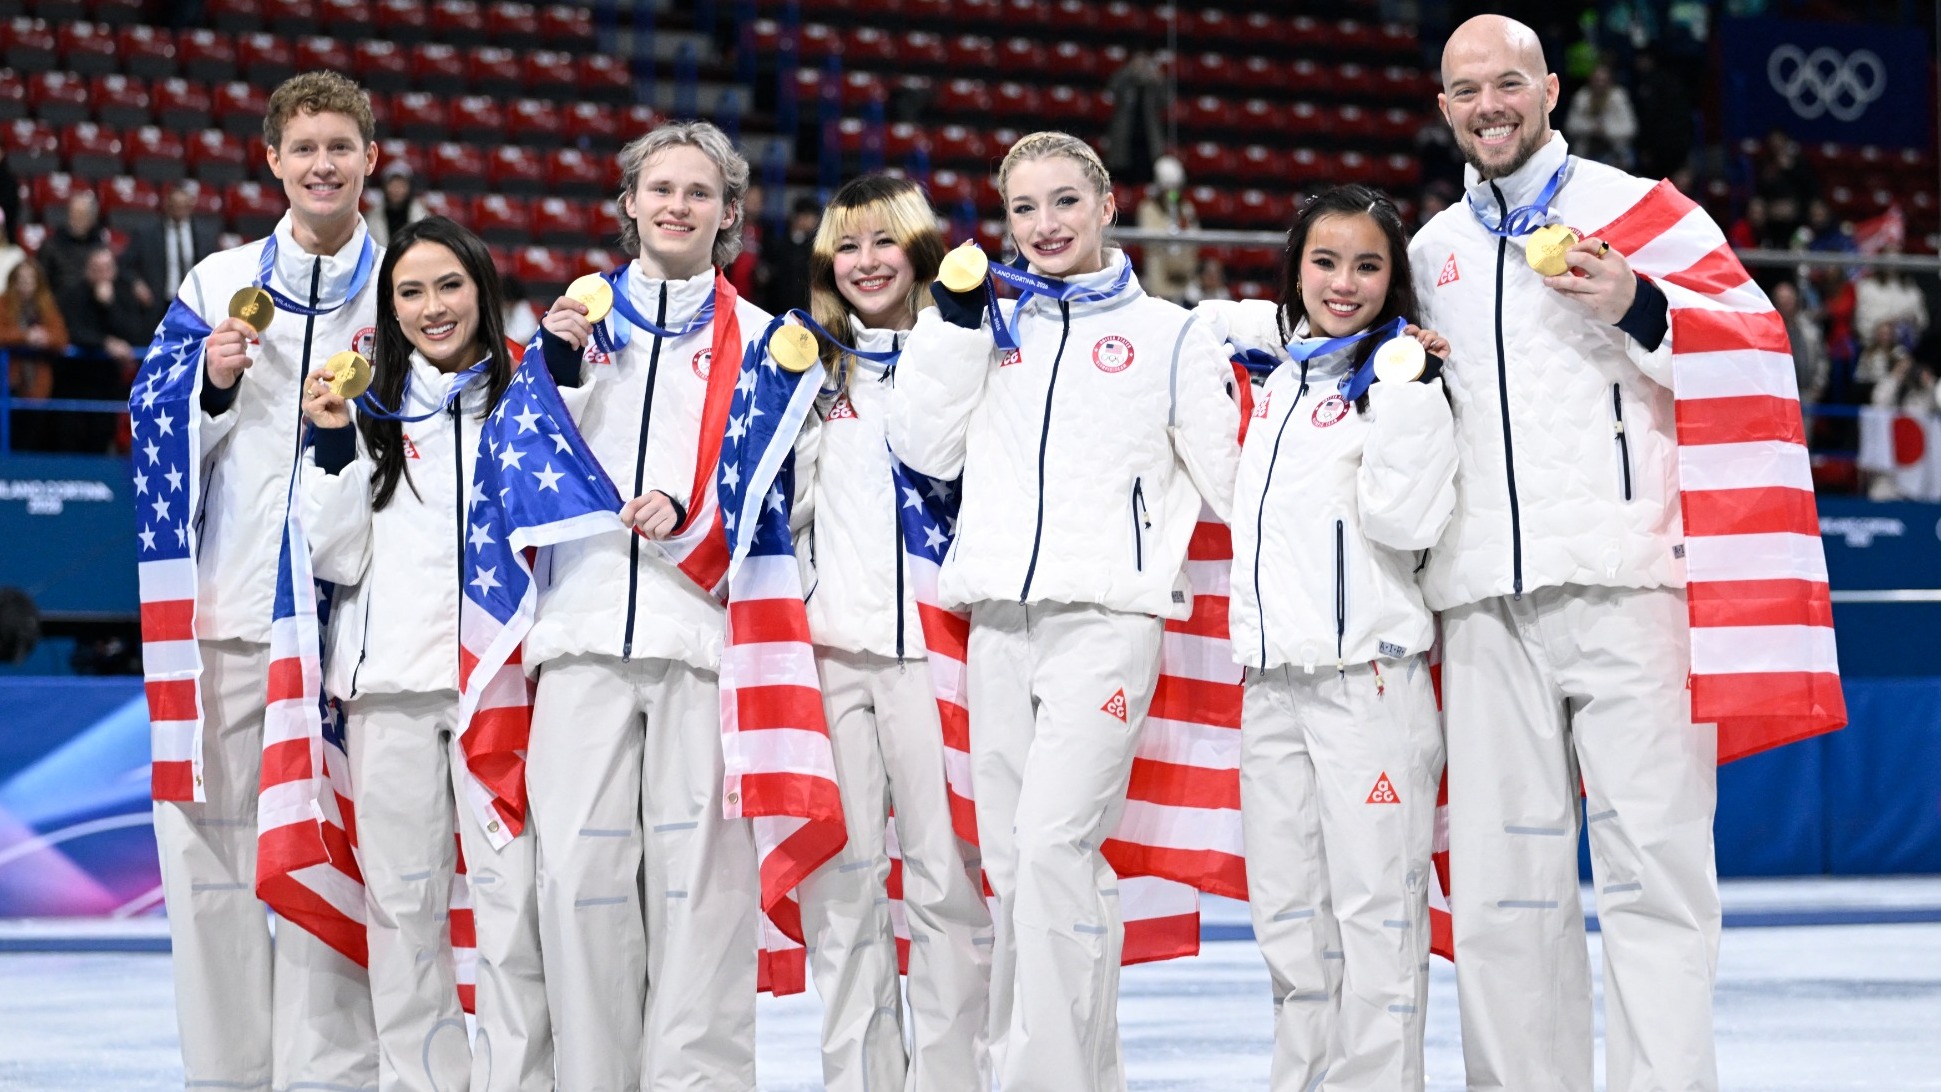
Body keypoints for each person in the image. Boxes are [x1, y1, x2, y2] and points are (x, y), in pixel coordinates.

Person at [1413, 16, 1836, 1092]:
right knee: (1504, 894)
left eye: (1509, 83)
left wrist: (1639, 305)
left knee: (1657, 882)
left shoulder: (1644, 211)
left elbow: (1758, 350)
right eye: (1468, 90)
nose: (1490, 105)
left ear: (1552, 88)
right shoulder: (1432, 254)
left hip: (1632, 587)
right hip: (1483, 605)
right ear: (1444, 104)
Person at [887, 130, 1240, 1092]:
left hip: (1106, 625)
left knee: (1051, 850)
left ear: (1106, 204)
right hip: (997, 619)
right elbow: (924, 448)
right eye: (1023, 209)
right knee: (1020, 870)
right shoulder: (987, 325)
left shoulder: (1174, 335)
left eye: (1063, 203)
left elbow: (1233, 485)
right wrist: (953, 324)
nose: (1045, 226)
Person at [146, 69, 382, 1092]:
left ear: (371, 158)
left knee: (338, 864)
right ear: (273, 160)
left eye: (342, 145)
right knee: (212, 875)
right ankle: (227, 1079)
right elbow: (150, 439)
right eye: (305, 147)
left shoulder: (413, 284)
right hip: (231, 622)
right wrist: (211, 380)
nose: (323, 163)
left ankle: (331, 1080)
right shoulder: (214, 282)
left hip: (356, 633)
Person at [528, 119, 776, 1090]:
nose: (678, 205)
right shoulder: (567, 331)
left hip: (702, 644)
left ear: (727, 216)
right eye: (660, 188)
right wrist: (557, 369)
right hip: (581, 635)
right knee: (577, 888)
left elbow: (771, 495)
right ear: (628, 202)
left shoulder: (761, 341)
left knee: (703, 901)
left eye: (699, 192)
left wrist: (693, 516)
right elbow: (517, 483)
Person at [1196, 184, 1455, 1091]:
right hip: (1270, 683)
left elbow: (1405, 519)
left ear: (1395, 280)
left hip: (1368, 686)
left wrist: (1407, 393)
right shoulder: (1276, 377)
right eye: (1325, 261)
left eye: (1368, 265)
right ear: (1295, 268)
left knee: (1377, 923)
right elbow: (1197, 326)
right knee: (1289, 925)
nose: (1343, 282)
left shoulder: (1405, 380)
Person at [297, 216, 552, 1091]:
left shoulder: (534, 395)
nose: (432, 306)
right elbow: (332, 555)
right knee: (403, 919)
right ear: (389, 305)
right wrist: (331, 442)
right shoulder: (363, 404)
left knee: (514, 912)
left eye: (448, 285)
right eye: (411, 291)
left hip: (504, 691)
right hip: (390, 694)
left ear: (480, 287)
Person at [795, 173, 994, 1091]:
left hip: (934, 656)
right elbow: (778, 515)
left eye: (884, 241)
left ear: (918, 248)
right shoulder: (804, 366)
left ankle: (950, 1079)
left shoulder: (975, 349)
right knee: (840, 891)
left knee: (946, 887)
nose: (866, 262)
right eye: (847, 244)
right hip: (831, 655)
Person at [54, 247, 150, 452]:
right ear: (87, 270)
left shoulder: (123, 294)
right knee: (70, 439)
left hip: (108, 383)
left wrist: (109, 305)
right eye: (96, 269)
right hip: (74, 381)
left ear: (114, 271)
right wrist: (104, 343)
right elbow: (72, 331)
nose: (102, 275)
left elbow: (133, 332)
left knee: (101, 436)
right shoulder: (72, 293)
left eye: (106, 268)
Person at [0, 257, 69, 451]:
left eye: (30, 281)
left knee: (30, 438)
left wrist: (45, 338)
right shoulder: (3, 304)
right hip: (7, 381)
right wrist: (25, 336)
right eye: (21, 280)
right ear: (12, 281)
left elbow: (61, 338)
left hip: (36, 385)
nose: (25, 286)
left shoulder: (46, 307)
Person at [126, 180, 221, 319]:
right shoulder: (146, 233)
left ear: (191, 206)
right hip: (157, 305)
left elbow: (214, 268)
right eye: (175, 205)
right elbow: (125, 266)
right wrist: (137, 283)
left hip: (192, 306)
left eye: (183, 206)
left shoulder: (205, 235)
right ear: (167, 204)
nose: (178, 209)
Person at [1134, 154, 1198, 303]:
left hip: (1183, 278)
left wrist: (1185, 229)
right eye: (1167, 189)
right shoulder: (1147, 209)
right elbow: (1149, 241)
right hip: (1159, 279)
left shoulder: (1186, 209)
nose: (1171, 194)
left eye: (1175, 190)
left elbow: (1195, 238)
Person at [1563, 61, 1636, 168]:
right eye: (1597, 80)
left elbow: (1630, 128)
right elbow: (1570, 125)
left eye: (1603, 80)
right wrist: (1591, 128)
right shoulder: (1582, 97)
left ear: (1610, 81)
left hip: (1615, 152)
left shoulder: (1618, 97)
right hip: (1587, 152)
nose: (1600, 84)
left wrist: (1606, 130)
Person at [38, 189, 109, 295]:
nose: (76, 219)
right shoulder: (51, 246)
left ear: (92, 219)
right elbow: (41, 282)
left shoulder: (100, 248)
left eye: (81, 215)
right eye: (73, 214)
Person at [365, 159, 429, 247]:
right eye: (393, 184)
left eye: (401, 185)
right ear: (384, 187)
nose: (397, 190)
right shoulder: (373, 216)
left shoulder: (422, 214)